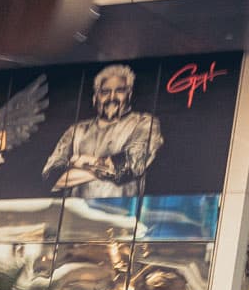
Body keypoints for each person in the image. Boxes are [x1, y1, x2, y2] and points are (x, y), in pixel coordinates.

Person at [43, 64, 167, 200]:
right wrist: (108, 169)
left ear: (129, 94)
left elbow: (131, 165)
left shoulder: (145, 123)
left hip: (121, 212)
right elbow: (51, 176)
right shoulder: (76, 130)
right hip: (74, 212)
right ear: (95, 97)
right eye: (105, 92)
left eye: (119, 91)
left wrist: (79, 161)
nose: (112, 97)